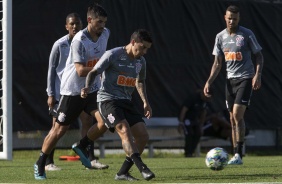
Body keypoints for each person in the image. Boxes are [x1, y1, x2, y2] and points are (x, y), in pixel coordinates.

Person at [34, 4, 110, 180]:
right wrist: (104, 67)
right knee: (59, 130)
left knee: (104, 121)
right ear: (90, 21)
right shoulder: (78, 41)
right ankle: (41, 162)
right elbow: (80, 70)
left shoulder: (105, 33)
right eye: (99, 22)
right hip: (72, 90)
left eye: (104, 22)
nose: (102, 26)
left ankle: (82, 146)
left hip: (92, 89)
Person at [74, 29, 155, 181]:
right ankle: (142, 167)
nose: (144, 52)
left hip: (126, 101)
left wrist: (145, 102)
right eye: (142, 47)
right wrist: (86, 87)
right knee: (123, 129)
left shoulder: (140, 62)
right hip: (108, 100)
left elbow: (140, 81)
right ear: (133, 42)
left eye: (147, 49)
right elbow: (93, 72)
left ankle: (122, 172)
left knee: (143, 136)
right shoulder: (113, 55)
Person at [203, 5, 264, 165]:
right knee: (231, 118)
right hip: (230, 81)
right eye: (229, 18)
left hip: (245, 78)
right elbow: (217, 63)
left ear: (239, 19)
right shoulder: (220, 37)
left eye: (235, 19)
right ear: (225, 17)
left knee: (237, 115)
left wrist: (257, 75)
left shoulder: (246, 34)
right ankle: (235, 154)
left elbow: (259, 56)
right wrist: (209, 81)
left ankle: (238, 154)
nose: (232, 21)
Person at [178, 89, 212, 157]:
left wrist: (201, 125)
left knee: (198, 133)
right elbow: (184, 110)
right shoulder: (193, 98)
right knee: (189, 133)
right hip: (187, 119)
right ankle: (187, 153)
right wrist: (181, 123)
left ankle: (191, 152)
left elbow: (203, 113)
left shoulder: (205, 102)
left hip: (195, 120)